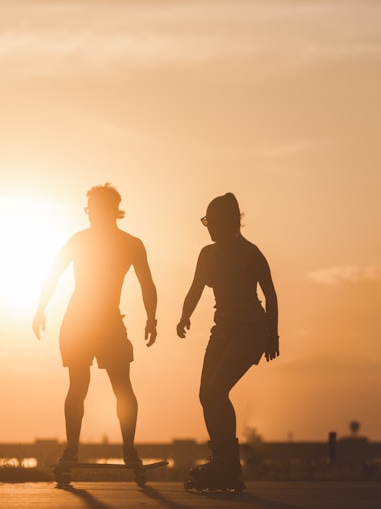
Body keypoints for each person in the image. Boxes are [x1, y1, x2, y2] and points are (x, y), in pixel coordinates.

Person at [33, 183, 158, 466]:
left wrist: (152, 318)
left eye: (96, 209)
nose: (91, 214)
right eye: (89, 209)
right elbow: (52, 274)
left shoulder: (131, 244)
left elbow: (147, 284)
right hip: (78, 323)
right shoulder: (80, 241)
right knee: (78, 387)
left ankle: (128, 450)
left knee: (122, 388)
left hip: (109, 324)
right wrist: (40, 308)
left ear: (113, 211)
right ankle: (72, 450)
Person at [177, 192, 279, 490]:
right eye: (206, 221)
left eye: (214, 221)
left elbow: (270, 294)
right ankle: (222, 459)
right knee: (206, 394)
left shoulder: (250, 254)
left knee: (218, 391)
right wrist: (184, 317)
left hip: (250, 330)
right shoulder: (207, 254)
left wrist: (272, 335)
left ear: (233, 222)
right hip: (222, 329)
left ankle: (229, 465)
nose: (209, 227)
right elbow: (195, 288)